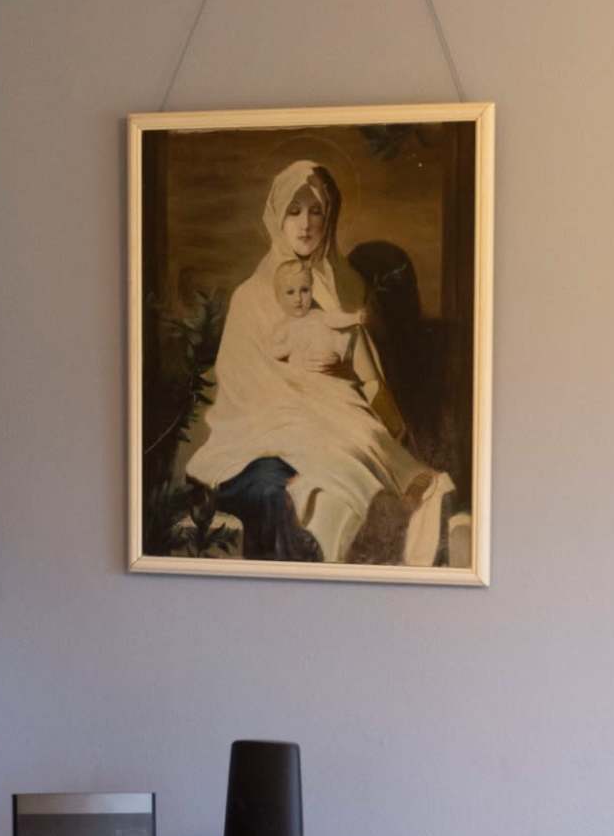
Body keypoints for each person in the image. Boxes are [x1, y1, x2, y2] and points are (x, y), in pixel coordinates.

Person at [175, 158, 451, 565]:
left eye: (316, 210)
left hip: (340, 428)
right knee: (290, 491)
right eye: (294, 210)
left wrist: (384, 420)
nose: (305, 223)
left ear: (330, 217)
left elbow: (371, 382)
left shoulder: (346, 291)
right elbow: (243, 390)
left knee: (354, 487)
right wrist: (300, 406)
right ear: (277, 219)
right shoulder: (250, 297)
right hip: (260, 436)